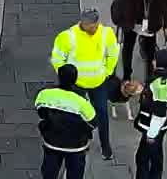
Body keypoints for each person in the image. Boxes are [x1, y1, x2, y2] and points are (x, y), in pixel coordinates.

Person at [50, 9, 119, 161]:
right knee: (78, 115)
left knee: (102, 114)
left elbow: (113, 53)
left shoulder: (106, 33)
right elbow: (57, 59)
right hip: (77, 85)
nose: (94, 29)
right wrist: (67, 77)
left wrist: (107, 72)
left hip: (98, 83)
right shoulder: (68, 37)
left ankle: (105, 146)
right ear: (83, 23)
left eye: (96, 25)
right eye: (91, 26)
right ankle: (80, 142)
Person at [110, 0, 167, 85]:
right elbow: (119, 1)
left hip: (150, 24)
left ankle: (149, 77)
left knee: (150, 52)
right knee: (128, 48)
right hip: (132, 23)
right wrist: (118, 20)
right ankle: (127, 75)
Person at [36, 63, 97, 179]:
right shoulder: (82, 102)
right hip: (76, 147)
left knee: (49, 173)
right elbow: (93, 122)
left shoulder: (45, 94)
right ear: (75, 79)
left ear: (59, 77)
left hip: (52, 143)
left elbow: (41, 112)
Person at [131, 48, 167, 179]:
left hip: (152, 128)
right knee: (157, 155)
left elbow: (159, 112)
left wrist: (151, 135)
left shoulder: (161, 85)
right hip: (162, 127)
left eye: (155, 59)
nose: (153, 61)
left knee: (142, 159)